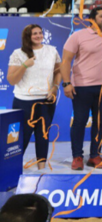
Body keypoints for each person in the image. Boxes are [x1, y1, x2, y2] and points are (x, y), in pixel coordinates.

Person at [61, 6, 102, 170]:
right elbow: (65, 61)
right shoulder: (78, 36)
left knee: (99, 124)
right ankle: (77, 157)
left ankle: (94, 156)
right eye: (101, 16)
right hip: (81, 88)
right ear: (92, 19)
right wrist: (66, 83)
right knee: (79, 122)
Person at [7, 24, 61, 170]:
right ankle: (12, 169)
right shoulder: (18, 53)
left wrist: (55, 87)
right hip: (24, 102)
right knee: (21, 138)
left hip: (46, 101)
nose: (38, 36)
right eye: (34, 34)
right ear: (28, 37)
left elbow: (58, 72)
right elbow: (12, 80)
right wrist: (24, 65)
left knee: (43, 135)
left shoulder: (52, 51)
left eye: (40, 33)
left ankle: (41, 169)